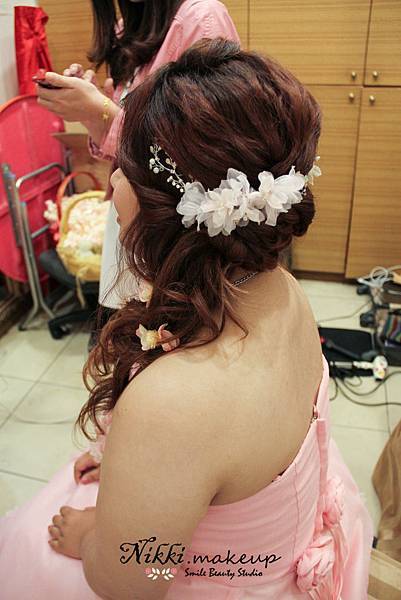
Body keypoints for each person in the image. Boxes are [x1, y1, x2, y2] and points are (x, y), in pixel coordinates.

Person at [0, 39, 373, 599]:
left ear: (167, 210)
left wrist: (95, 539)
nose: (110, 183)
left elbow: (133, 581)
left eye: (122, 168)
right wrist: (144, 478)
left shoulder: (175, 405)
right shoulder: (284, 292)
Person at [36, 0, 240, 313]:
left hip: (175, 227)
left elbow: (200, 151)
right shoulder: (127, 27)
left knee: (167, 327)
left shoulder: (202, 18)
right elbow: (128, 141)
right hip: (128, 214)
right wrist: (93, 111)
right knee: (129, 325)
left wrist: (103, 111)